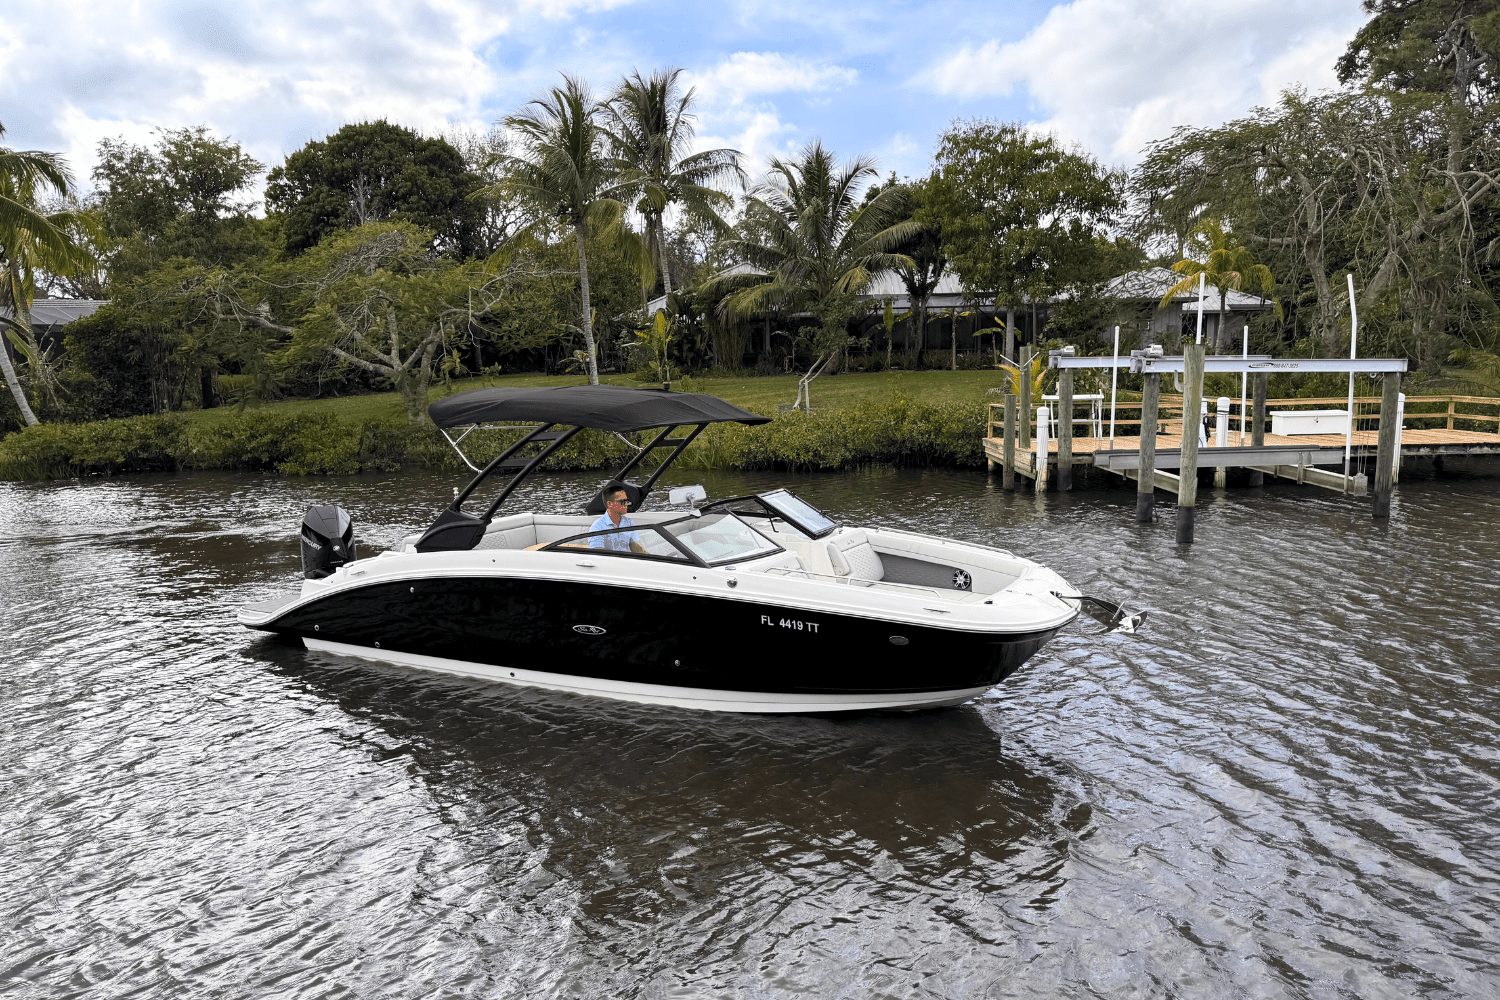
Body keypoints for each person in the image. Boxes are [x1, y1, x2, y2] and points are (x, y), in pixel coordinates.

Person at [588, 483, 646, 553]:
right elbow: (598, 556)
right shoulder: (597, 527)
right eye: (622, 501)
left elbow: (638, 550)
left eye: (627, 501)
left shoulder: (628, 522)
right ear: (609, 504)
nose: (626, 504)